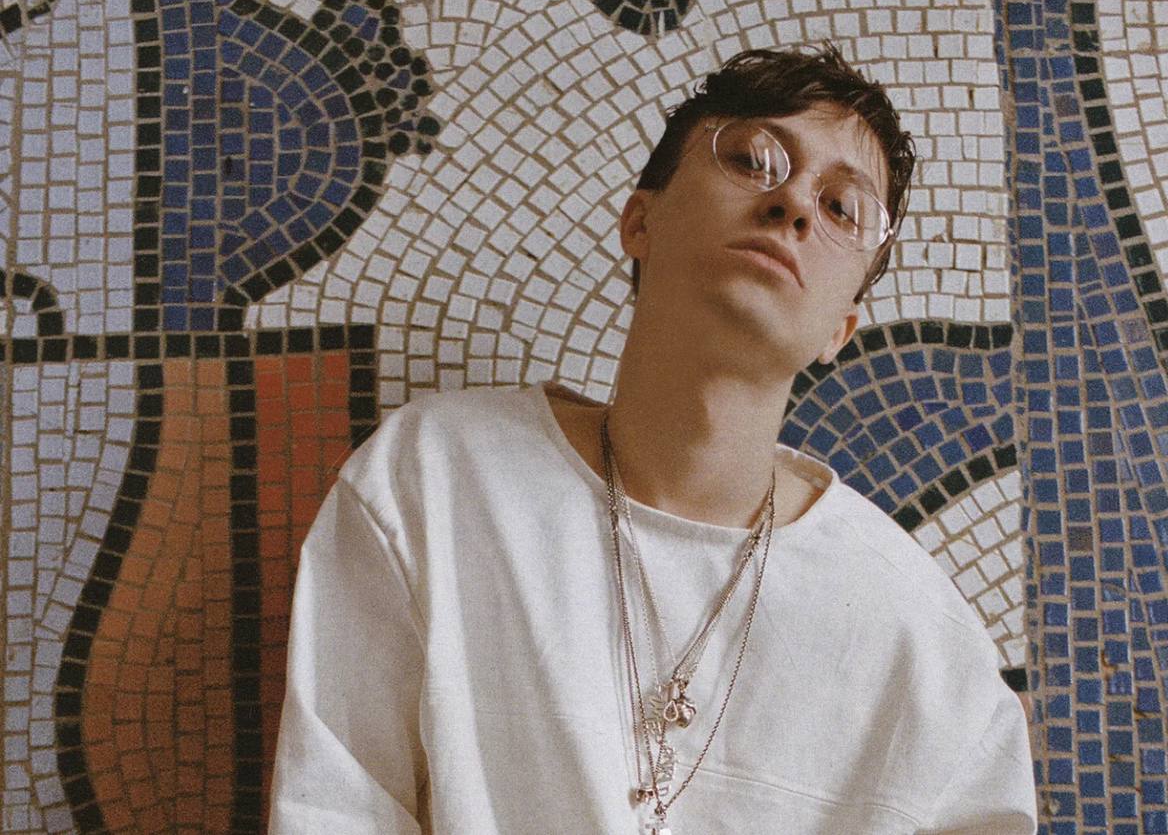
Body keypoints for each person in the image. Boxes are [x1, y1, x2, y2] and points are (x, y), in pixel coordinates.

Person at [267, 43, 1038, 834]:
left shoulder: (921, 641)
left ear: (839, 330)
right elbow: (332, 806)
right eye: (754, 159)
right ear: (640, 220)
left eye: (843, 207)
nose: (794, 204)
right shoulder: (436, 480)